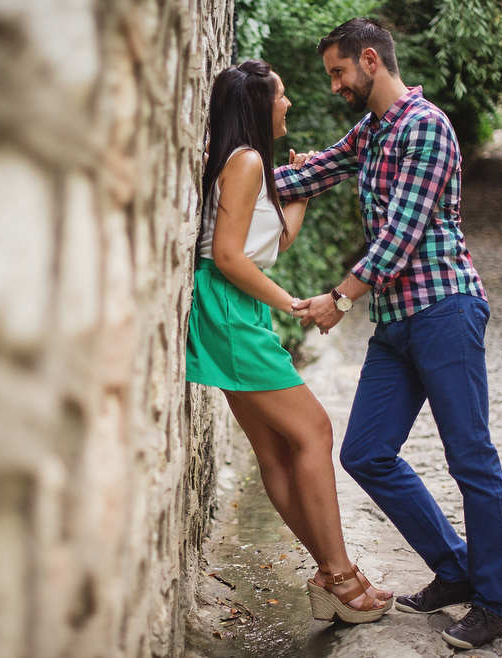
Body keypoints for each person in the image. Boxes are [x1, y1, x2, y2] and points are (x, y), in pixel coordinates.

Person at [275, 18, 502, 649]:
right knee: (365, 453)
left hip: (444, 310)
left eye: (338, 71)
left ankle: (491, 600)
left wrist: (339, 298)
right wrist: (232, 179)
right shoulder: (374, 132)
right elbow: (312, 173)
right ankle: (455, 568)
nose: (333, 85)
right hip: (398, 321)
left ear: (371, 61)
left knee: (471, 458)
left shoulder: (425, 126)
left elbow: (401, 235)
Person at [186, 59, 394, 623]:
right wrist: (294, 303)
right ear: (258, 104)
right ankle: (339, 575)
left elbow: (267, 243)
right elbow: (226, 256)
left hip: (232, 308)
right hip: (231, 309)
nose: (289, 104)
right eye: (281, 95)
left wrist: (300, 192)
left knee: (278, 448)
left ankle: (333, 575)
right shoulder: (248, 160)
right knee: (315, 430)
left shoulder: (246, 164)